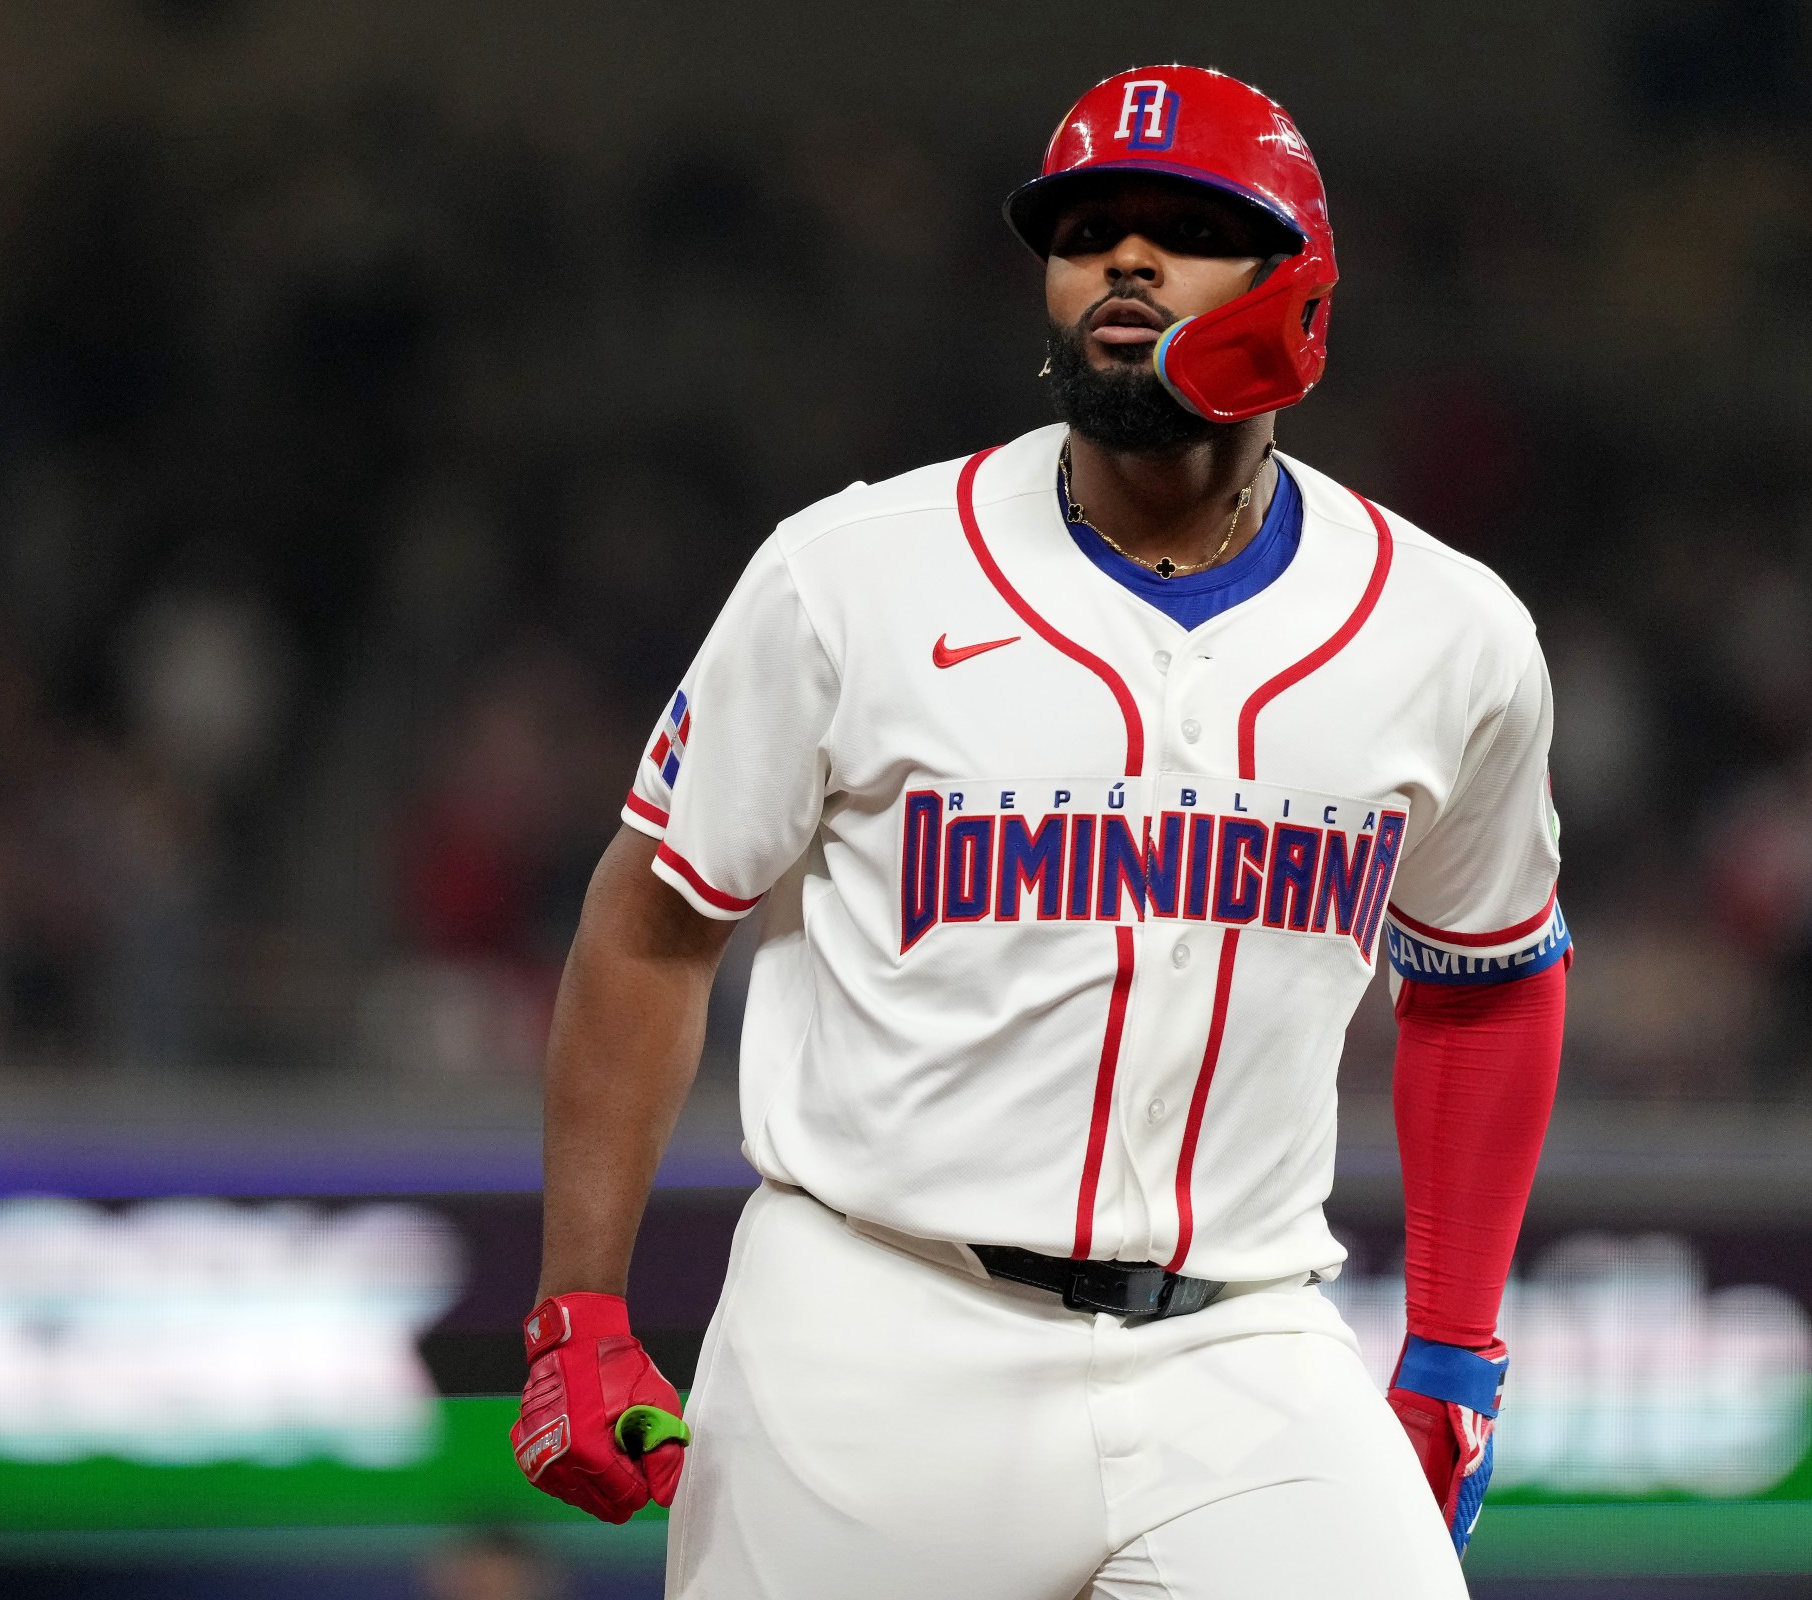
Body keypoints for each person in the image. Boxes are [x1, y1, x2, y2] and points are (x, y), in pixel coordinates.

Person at [509, 65, 1569, 1600]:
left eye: (1185, 226)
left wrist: (1459, 1344)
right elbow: (654, 919)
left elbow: (1488, 977)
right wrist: (578, 1308)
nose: (1122, 262)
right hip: (871, 1329)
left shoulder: (1446, 629)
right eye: (1086, 231)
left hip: (1243, 1338)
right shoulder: (852, 573)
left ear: (1302, 289)